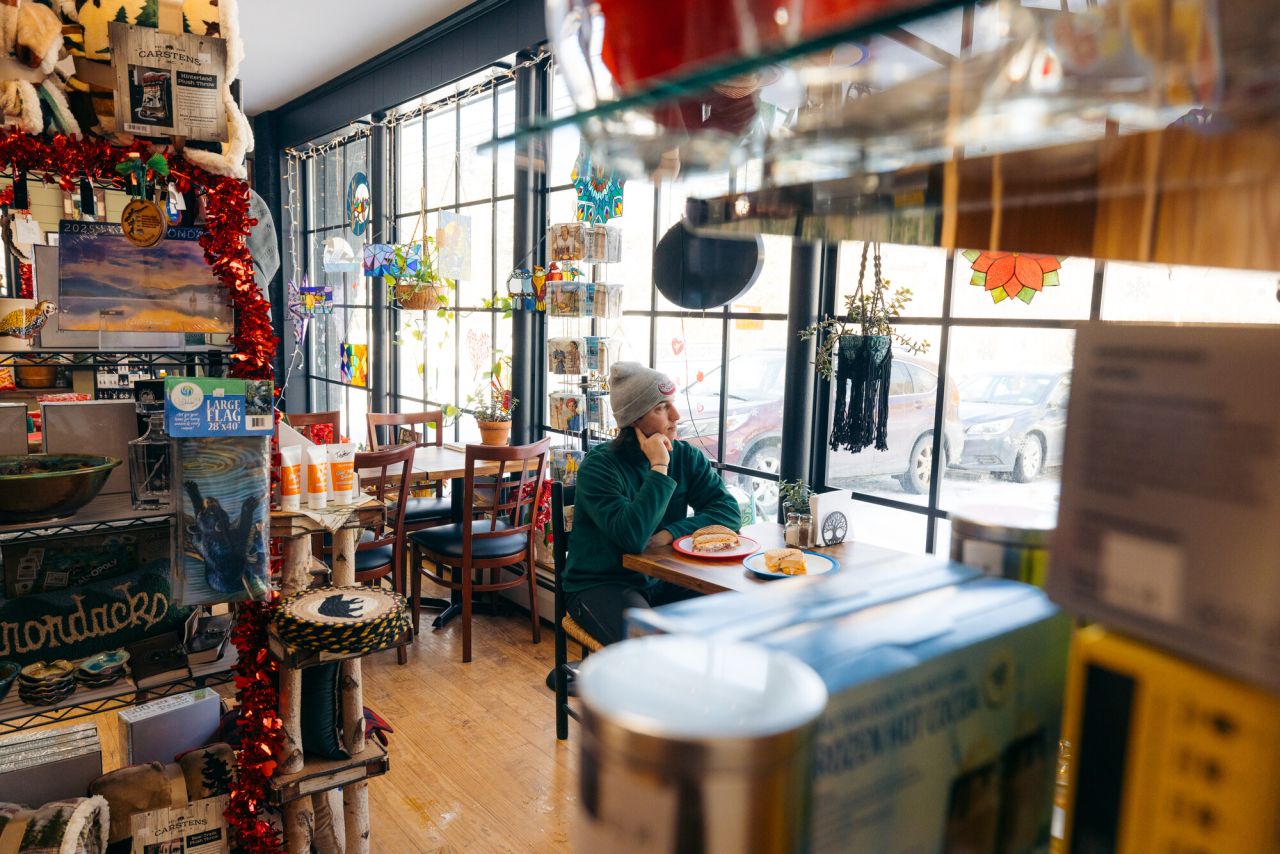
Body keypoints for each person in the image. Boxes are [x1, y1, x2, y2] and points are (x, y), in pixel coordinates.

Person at [563, 362, 741, 646]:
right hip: (601, 584)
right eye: (661, 408)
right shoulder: (600, 467)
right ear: (634, 419)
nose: (676, 416)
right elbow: (633, 537)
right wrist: (659, 466)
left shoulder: (686, 456)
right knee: (649, 649)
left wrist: (670, 533)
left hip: (663, 579)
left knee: (734, 611)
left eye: (672, 404)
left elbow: (728, 512)